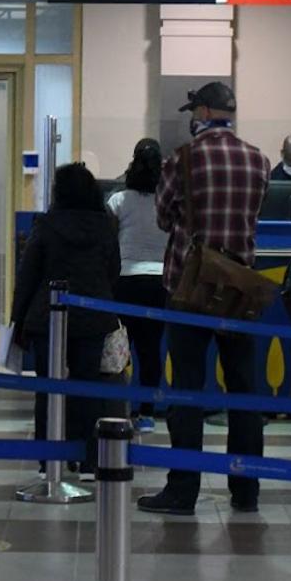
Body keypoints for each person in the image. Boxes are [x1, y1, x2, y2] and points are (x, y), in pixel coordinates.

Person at [137, 81, 270, 516]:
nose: (191, 117)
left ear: (206, 112)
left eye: (194, 110)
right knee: (244, 391)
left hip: (190, 288)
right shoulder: (259, 159)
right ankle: (246, 489)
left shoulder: (184, 158)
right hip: (239, 288)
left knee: (187, 390)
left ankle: (182, 490)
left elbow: (161, 217)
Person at [12, 163, 120, 470]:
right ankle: (86, 458)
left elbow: (28, 274)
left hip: (48, 319)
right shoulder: (106, 226)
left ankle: (49, 459)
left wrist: (17, 320)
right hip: (93, 317)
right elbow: (113, 270)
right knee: (87, 389)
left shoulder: (46, 224)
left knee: (49, 389)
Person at [107, 138, 167, 432]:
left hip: (126, 280)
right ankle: (147, 413)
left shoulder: (118, 201)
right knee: (150, 348)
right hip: (160, 282)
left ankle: (120, 407)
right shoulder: (168, 202)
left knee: (122, 347)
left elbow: (109, 241)